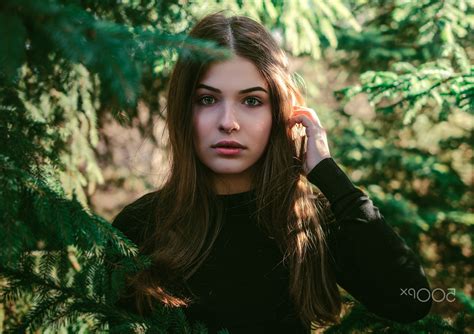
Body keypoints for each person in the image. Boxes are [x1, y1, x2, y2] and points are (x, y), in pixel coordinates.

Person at [111, 11, 432, 334]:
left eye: (251, 101)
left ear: (279, 112)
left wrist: (328, 173)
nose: (228, 122)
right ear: (184, 110)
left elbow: (410, 300)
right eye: (207, 99)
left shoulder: (310, 222)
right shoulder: (139, 227)